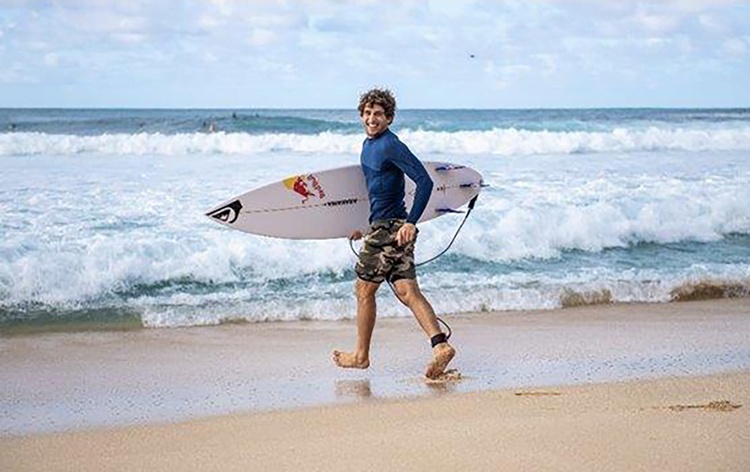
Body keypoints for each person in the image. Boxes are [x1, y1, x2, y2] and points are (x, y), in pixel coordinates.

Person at [332, 88, 455, 379]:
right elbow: (377, 193)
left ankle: (361, 356)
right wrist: (365, 228)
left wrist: (411, 222)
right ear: (361, 115)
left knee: (364, 290)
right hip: (385, 226)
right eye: (368, 113)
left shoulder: (390, 144)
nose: (372, 118)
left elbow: (424, 181)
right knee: (407, 291)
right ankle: (440, 345)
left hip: (391, 228)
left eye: (378, 114)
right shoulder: (368, 145)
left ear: (389, 118)